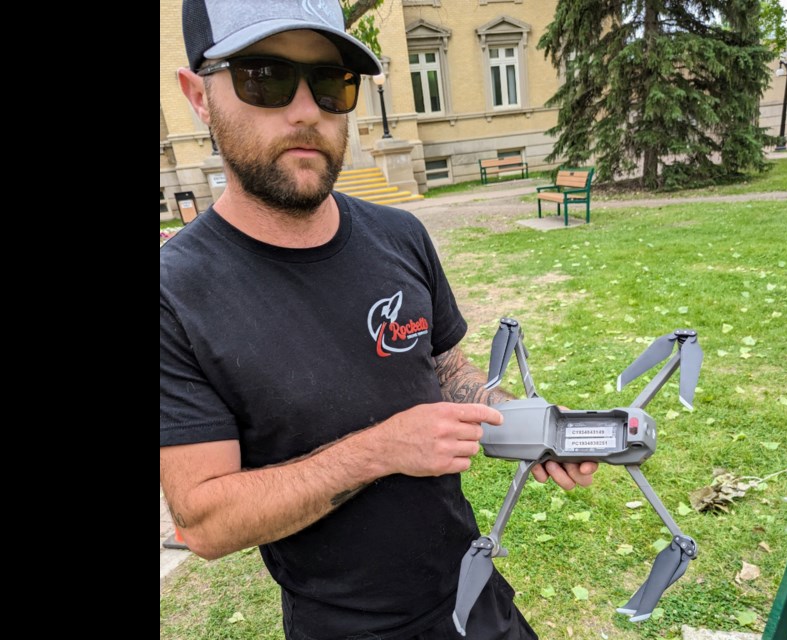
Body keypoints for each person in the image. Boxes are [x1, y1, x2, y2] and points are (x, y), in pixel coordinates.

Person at [160, 1, 598, 639]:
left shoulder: (400, 234)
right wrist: (380, 451)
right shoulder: (176, 291)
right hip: (344, 626)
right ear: (198, 96)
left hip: (473, 592)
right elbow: (202, 523)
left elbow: (445, 366)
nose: (306, 109)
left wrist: (528, 425)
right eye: (265, 77)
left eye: (332, 82)